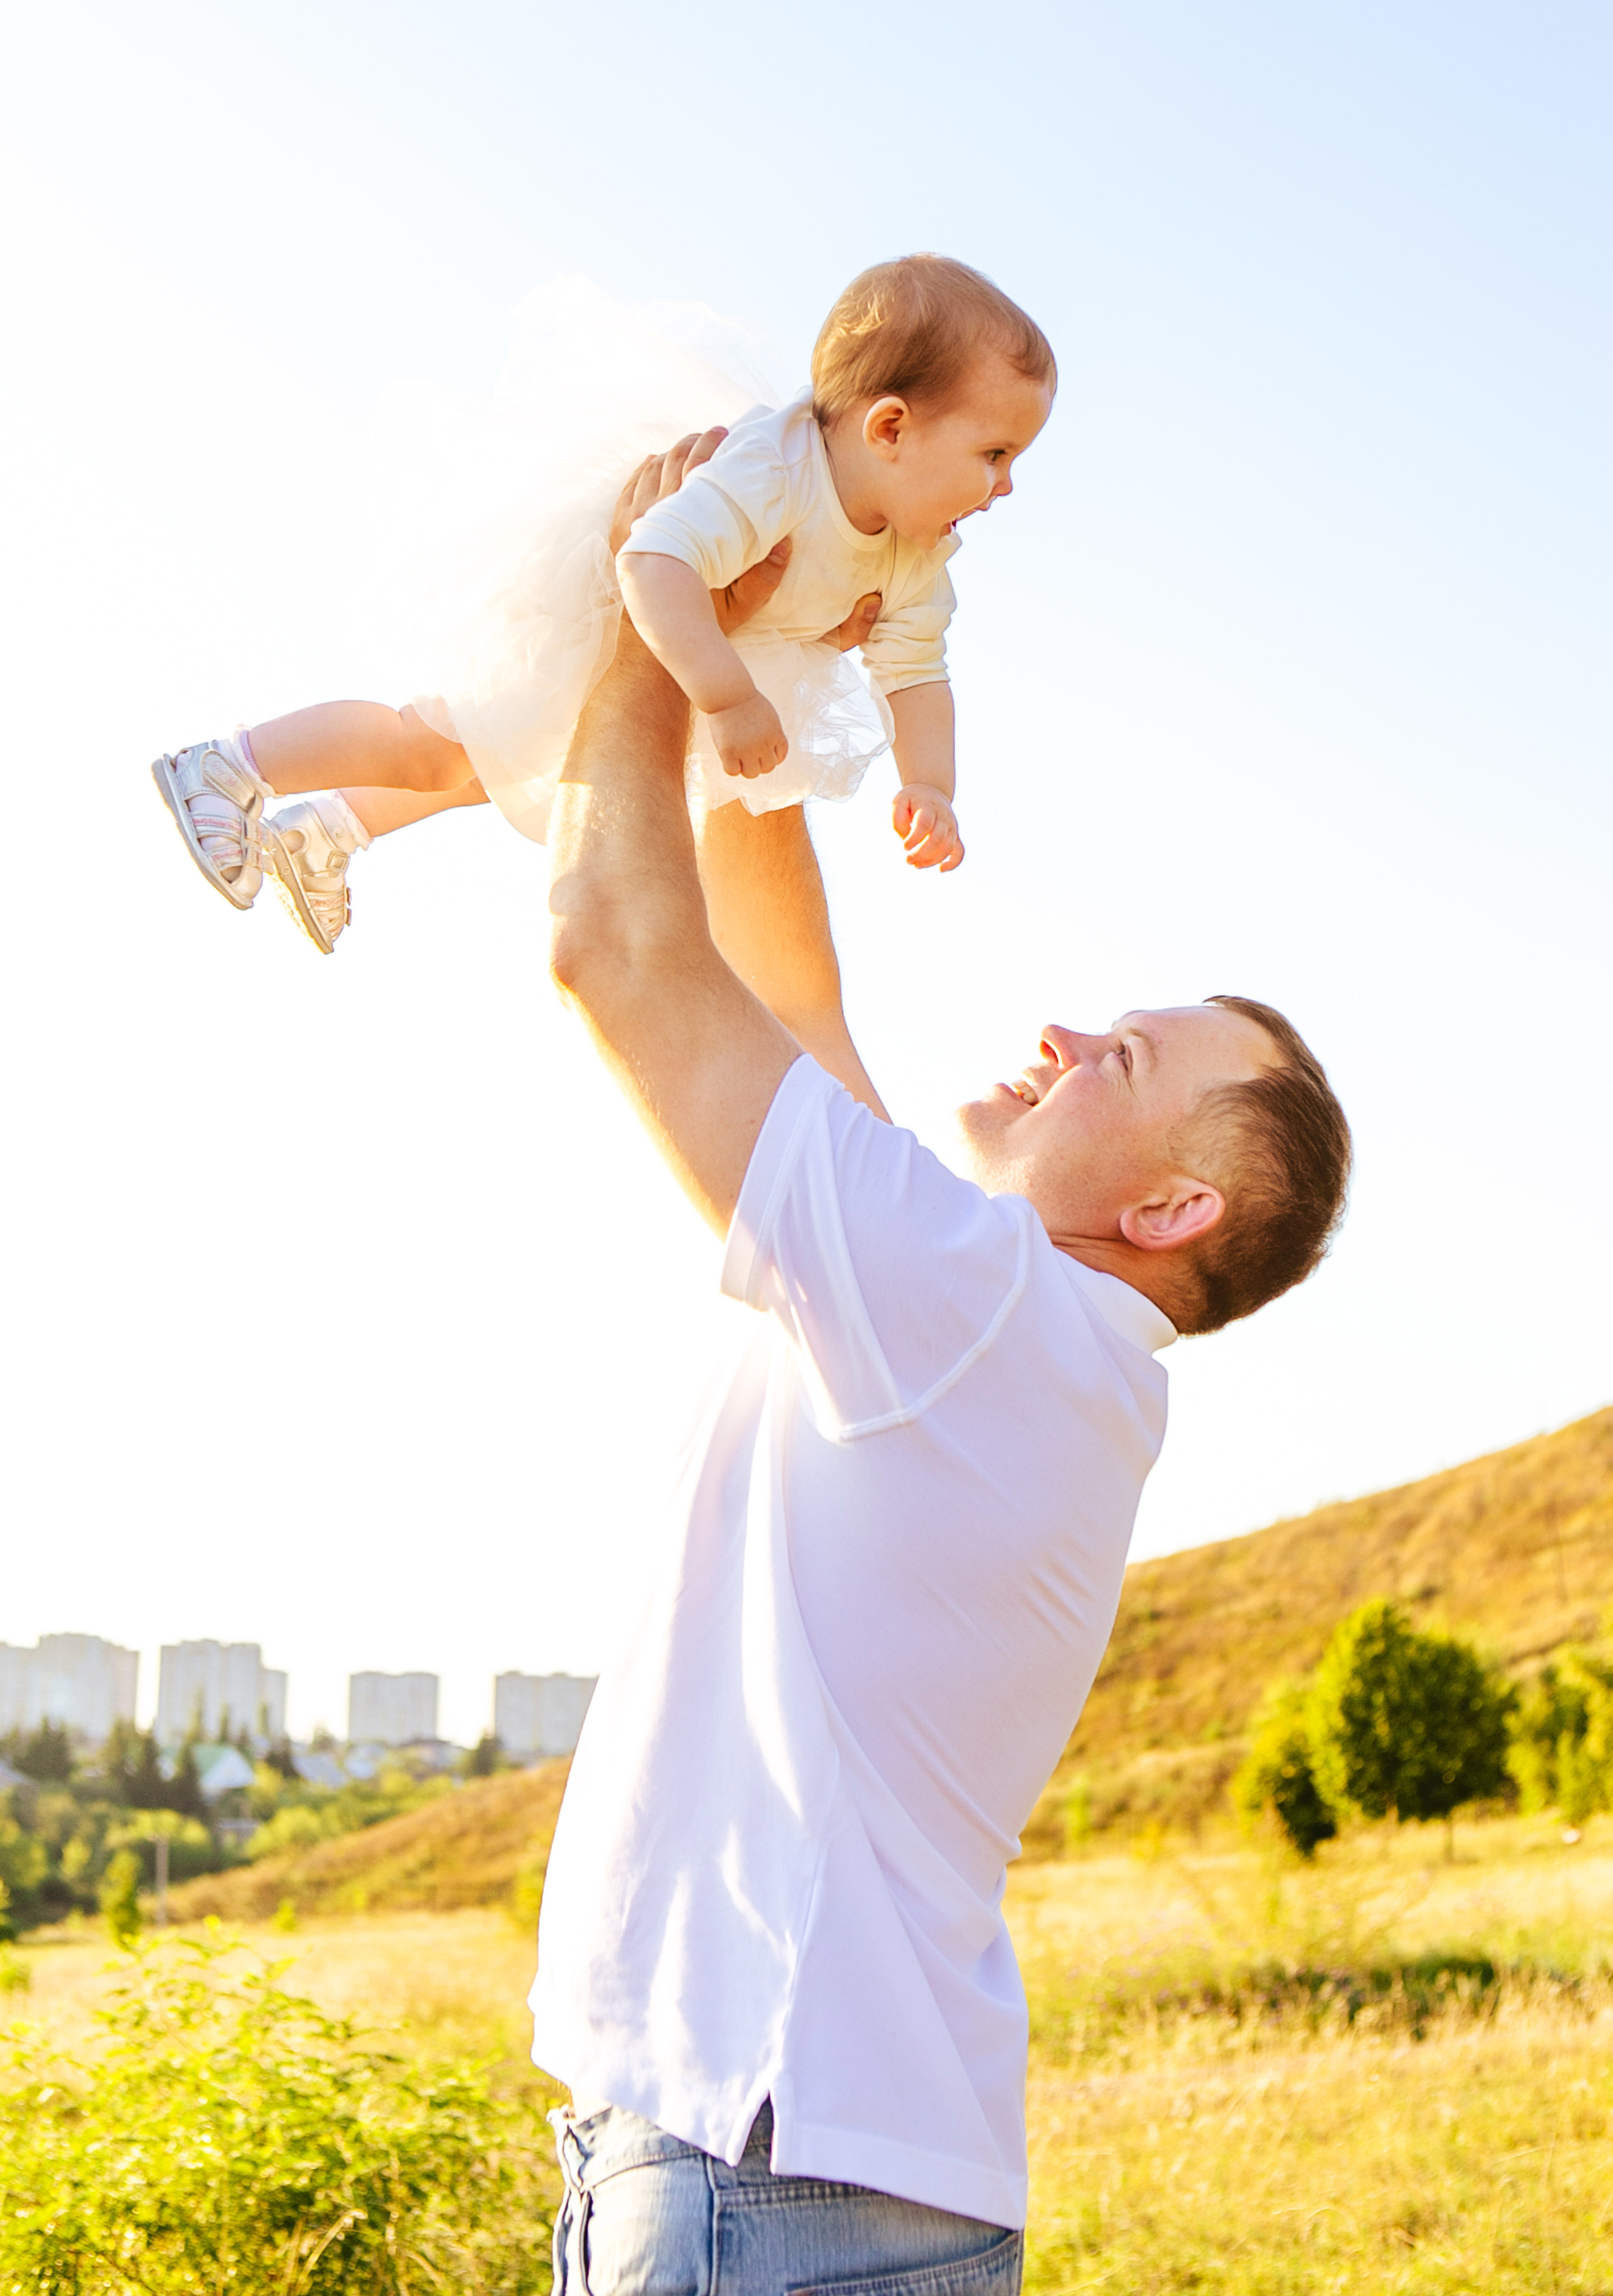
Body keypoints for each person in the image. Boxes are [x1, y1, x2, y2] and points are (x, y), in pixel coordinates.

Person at [527, 437, 1353, 2295]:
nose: (1068, 1029)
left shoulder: (978, 1306)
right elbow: (787, 989)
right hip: (849, 2174)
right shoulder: (1027, 1344)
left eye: (1124, 1058)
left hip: (758, 2166)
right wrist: (763, 656)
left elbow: (612, 940)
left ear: (1164, 1213)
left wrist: (632, 604)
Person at [149, 255, 1054, 955]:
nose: (1008, 486)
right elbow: (653, 561)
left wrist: (928, 785)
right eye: (994, 454)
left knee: (493, 767)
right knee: (435, 743)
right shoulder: (770, 473)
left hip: (706, 644)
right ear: (890, 427)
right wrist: (730, 696)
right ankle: (228, 766)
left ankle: (324, 833)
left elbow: (917, 675)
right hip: (611, 603)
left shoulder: (919, 557)